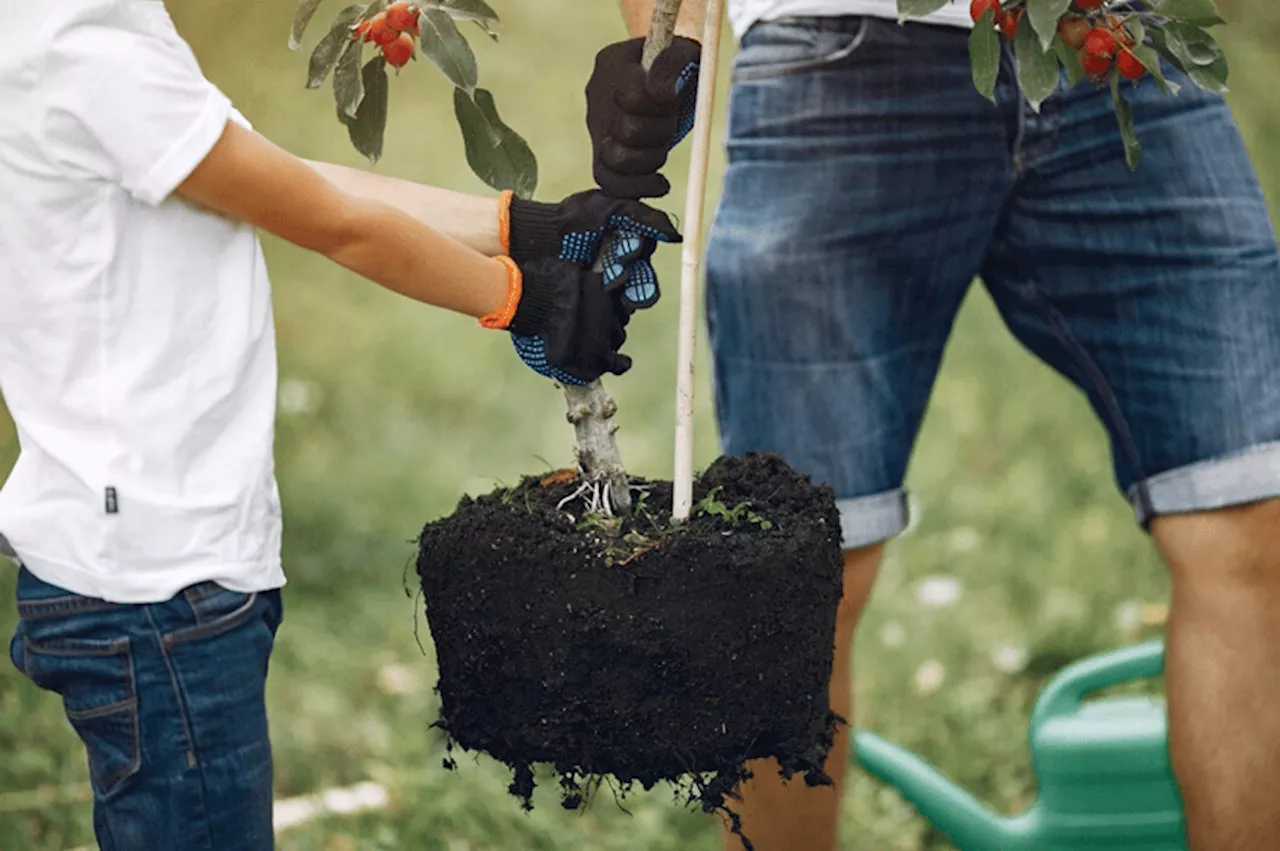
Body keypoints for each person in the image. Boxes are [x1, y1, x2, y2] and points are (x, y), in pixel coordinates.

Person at [585, 1, 1280, 849]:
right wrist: (668, 41)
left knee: (1254, 513)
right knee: (799, 573)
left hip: (1122, 47)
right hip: (842, 56)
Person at [0, 2, 679, 848]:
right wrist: (522, 299)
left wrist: (531, 229)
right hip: (154, 585)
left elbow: (278, 175)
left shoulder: (77, 31)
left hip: (152, 564)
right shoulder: (84, 46)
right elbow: (329, 222)